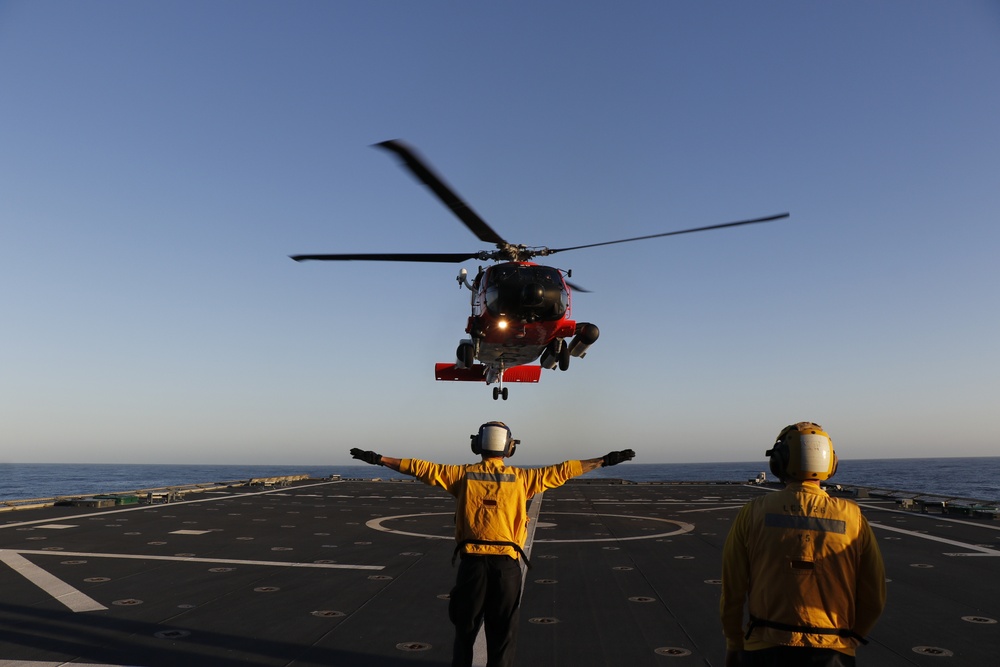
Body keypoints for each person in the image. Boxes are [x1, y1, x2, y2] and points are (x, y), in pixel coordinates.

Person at [350, 421, 635, 667]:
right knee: (503, 636)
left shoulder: (461, 475)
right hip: (506, 569)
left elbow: (419, 468)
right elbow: (564, 470)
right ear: (509, 448)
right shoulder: (523, 479)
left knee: (465, 631)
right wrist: (603, 460)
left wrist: (379, 459)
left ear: (477, 445)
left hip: (472, 567)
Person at [720, 422, 886, 667]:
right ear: (832, 463)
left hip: (763, 649)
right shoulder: (853, 518)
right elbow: (874, 596)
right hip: (833, 651)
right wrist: (849, 640)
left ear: (778, 462)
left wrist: (735, 643)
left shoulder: (753, 512)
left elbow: (732, 590)